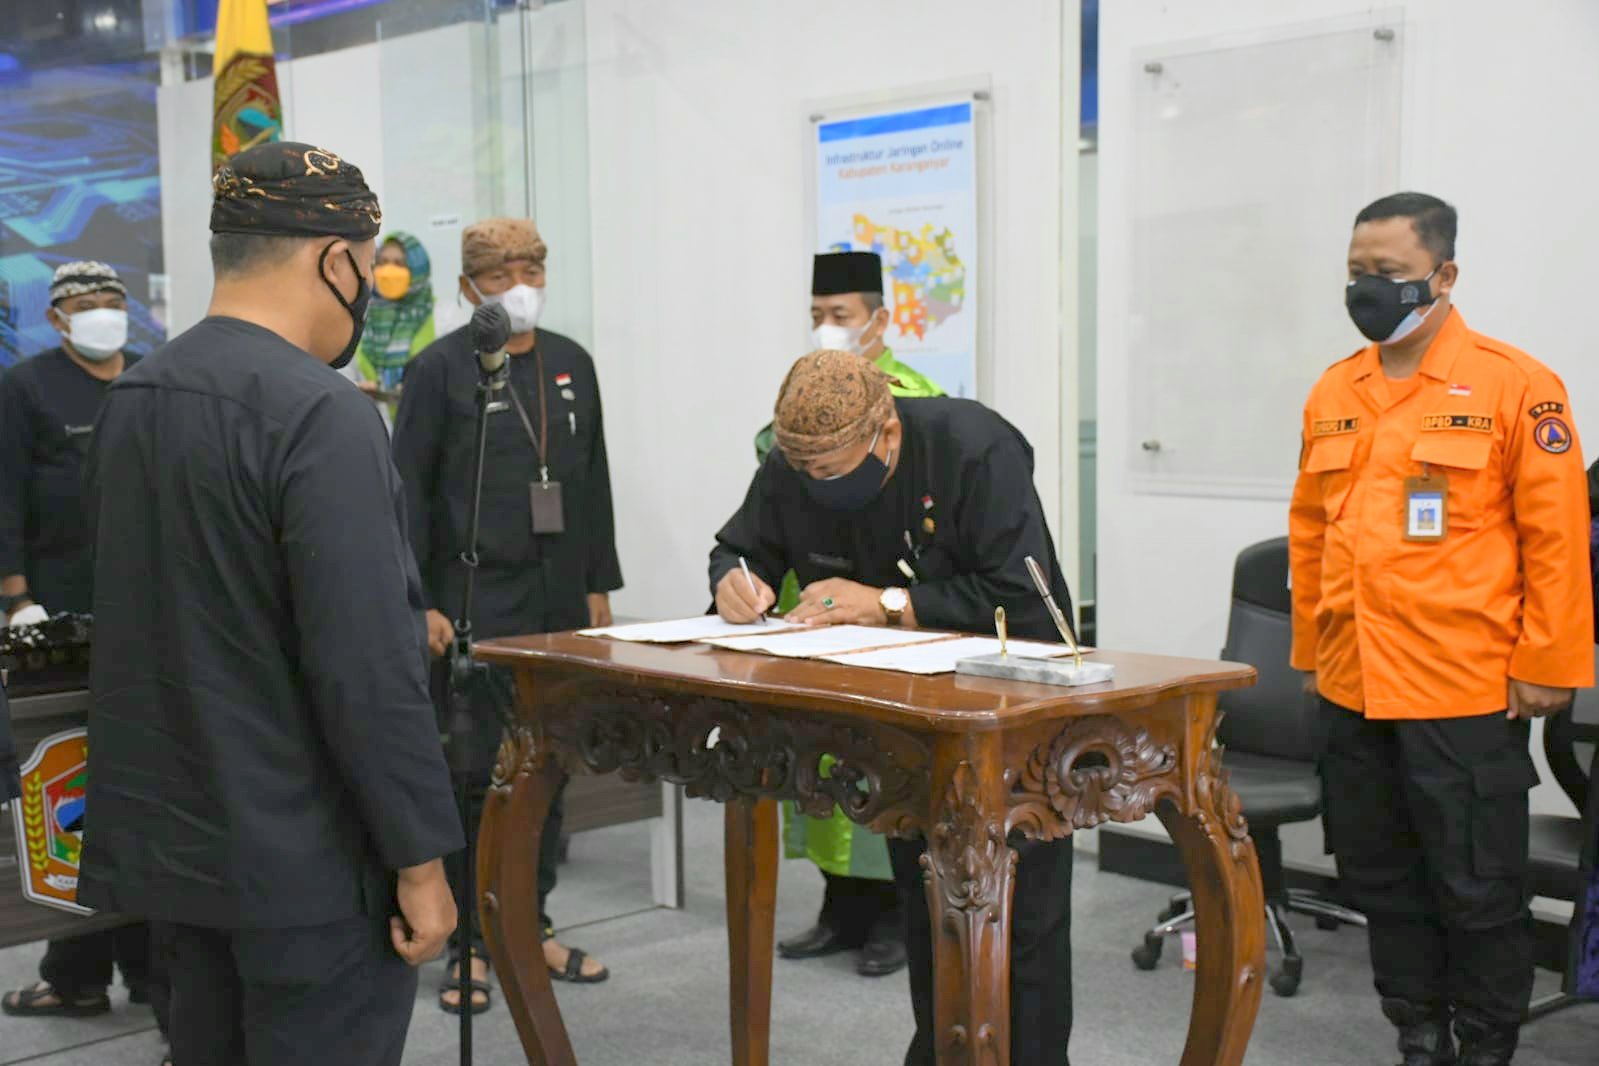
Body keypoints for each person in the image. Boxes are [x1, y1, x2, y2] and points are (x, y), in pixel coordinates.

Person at [76, 141, 464, 1066]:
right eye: (365, 267)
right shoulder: (321, 413)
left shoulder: (134, 397)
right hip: (309, 863)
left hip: (179, 851)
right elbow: (366, 667)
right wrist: (421, 861)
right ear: (335, 262)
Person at [1290, 192, 1594, 1066]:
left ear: (1442, 274)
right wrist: (1311, 651)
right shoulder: (1335, 388)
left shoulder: (1514, 384)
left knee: (1477, 885)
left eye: (1386, 272)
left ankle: (1486, 1041)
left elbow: (1555, 539)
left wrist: (1549, 664)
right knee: (1381, 877)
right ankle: (1417, 1031)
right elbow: (1309, 532)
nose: (1366, 288)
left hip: (1462, 686)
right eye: (1356, 271)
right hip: (1353, 682)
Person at [710, 350, 1076, 1065]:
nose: (814, 483)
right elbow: (740, 548)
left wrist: (888, 603)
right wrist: (735, 580)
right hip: (905, 722)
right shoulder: (792, 463)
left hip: (1012, 720)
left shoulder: (973, 448)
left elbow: (1028, 602)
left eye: (831, 470)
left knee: (1018, 923)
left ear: (885, 432)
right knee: (929, 909)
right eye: (803, 470)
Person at [392, 215, 622, 1012]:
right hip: (471, 602)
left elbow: (591, 482)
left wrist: (598, 583)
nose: (518, 287)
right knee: (475, 774)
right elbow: (407, 495)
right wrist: (417, 599)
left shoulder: (571, 362)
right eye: (498, 275)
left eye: (530, 270)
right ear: (467, 288)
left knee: (547, 766)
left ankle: (530, 921)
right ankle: (470, 942)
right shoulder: (437, 370)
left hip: (556, 599)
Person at [0, 262, 167, 1043]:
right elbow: (5, 495)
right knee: (72, 788)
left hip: (151, 613)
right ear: (58, 318)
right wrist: (16, 597)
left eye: (112, 301)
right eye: (85, 304)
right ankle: (78, 971)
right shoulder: (27, 388)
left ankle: (149, 969)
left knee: (145, 787)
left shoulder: (153, 380)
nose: (103, 313)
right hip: (58, 622)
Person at [766, 252, 944, 979]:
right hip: (811, 604)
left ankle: (897, 920)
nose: (827, 328)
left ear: (880, 318)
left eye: (840, 315)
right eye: (817, 315)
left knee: (881, 764)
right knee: (819, 760)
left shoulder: (914, 399)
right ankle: (840, 911)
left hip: (881, 613)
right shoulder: (807, 392)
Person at [345, 231, 436, 425]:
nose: (388, 270)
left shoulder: (443, 316)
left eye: (399, 263)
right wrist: (356, 389)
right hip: (369, 423)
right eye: (382, 262)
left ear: (417, 269)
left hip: (427, 425)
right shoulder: (360, 315)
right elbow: (345, 371)